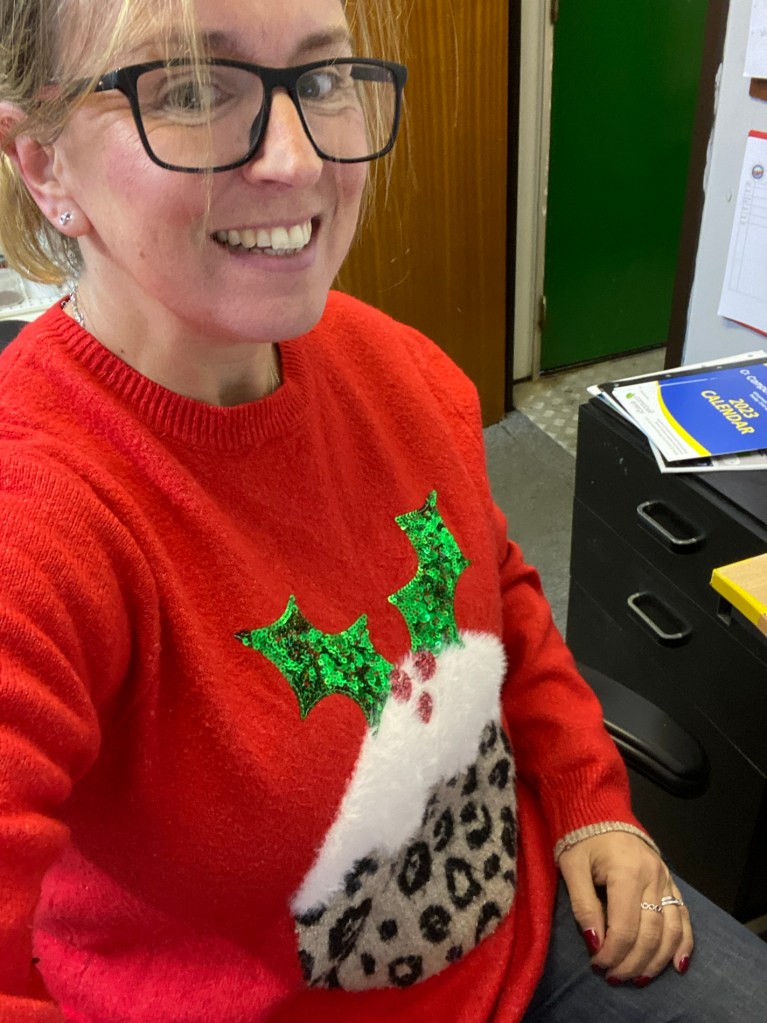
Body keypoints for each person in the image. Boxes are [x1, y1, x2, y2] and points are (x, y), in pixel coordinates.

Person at [0, 0, 765, 1021]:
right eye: (189, 89)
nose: (294, 159)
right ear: (43, 165)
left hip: (532, 926)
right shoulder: (38, 517)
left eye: (319, 79)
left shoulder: (399, 370)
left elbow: (501, 595)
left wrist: (590, 801)